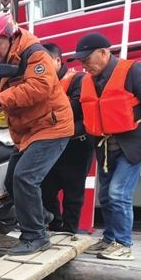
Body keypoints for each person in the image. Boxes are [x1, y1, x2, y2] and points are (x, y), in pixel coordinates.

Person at [0, 12, 74, 254]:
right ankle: (42, 216)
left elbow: (39, 87)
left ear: (11, 37)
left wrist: (0, 99)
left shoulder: (35, 54)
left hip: (52, 126)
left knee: (25, 178)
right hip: (26, 132)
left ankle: (36, 236)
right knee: (11, 181)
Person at [67, 32, 141, 260]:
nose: (84, 65)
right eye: (81, 61)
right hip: (104, 147)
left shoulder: (134, 71)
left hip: (133, 145)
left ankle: (124, 245)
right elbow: (83, 114)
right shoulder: (88, 81)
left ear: (104, 52)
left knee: (118, 193)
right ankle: (110, 240)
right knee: (105, 195)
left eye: (87, 59)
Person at [40, 42, 93, 233]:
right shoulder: (41, 83)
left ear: (56, 60)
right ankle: (55, 224)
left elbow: (77, 108)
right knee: (45, 188)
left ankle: (70, 232)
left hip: (76, 147)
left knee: (73, 194)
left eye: (44, 61)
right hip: (51, 147)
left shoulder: (78, 79)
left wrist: (44, 114)